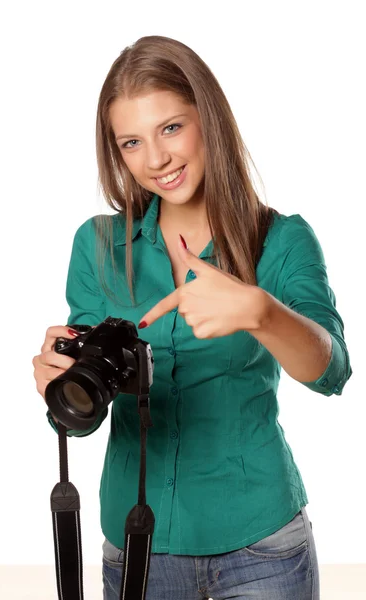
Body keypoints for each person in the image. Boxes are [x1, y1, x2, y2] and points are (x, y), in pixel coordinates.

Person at [32, 36, 352, 600]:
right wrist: (65, 389)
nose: (156, 159)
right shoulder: (98, 245)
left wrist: (261, 312)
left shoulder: (281, 241)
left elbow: (331, 372)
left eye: (171, 128)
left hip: (261, 545)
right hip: (137, 546)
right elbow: (84, 417)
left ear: (209, 118)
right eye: (132, 141)